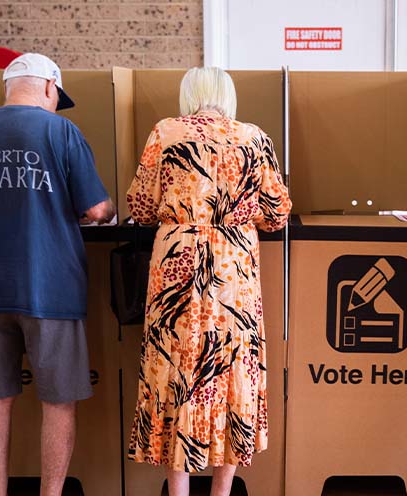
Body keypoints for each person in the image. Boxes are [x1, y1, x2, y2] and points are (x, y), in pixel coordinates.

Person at [0, 53, 116, 496]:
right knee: (58, 401)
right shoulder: (60, 130)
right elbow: (96, 208)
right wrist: (105, 210)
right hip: (51, 288)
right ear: (49, 87)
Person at [126, 66, 291, 496]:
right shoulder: (253, 138)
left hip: (176, 264)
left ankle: (178, 490)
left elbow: (141, 206)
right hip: (232, 272)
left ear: (189, 95)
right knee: (231, 365)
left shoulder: (165, 132)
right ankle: (221, 491)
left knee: (174, 364)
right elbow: (277, 214)